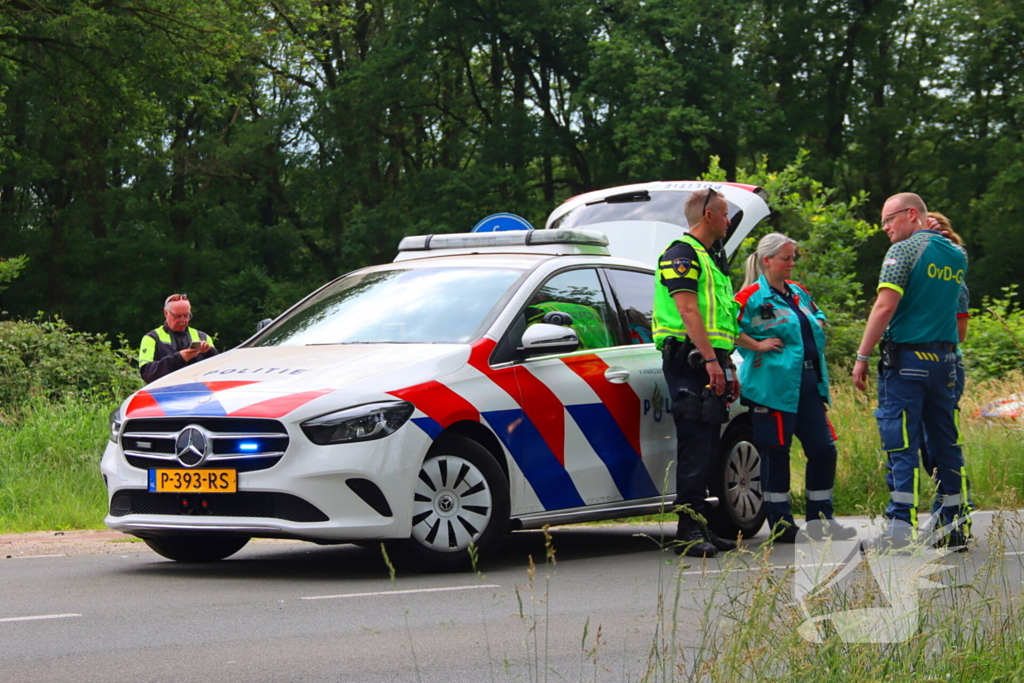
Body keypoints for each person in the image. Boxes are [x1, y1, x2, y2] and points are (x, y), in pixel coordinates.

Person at [852, 193, 970, 550]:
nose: (885, 227)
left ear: (912, 214)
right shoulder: (956, 253)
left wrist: (862, 356)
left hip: (907, 363)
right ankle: (955, 526)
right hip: (945, 363)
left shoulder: (903, 252)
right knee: (946, 445)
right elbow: (956, 315)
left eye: (889, 219)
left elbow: (885, 307)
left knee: (900, 443)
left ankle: (900, 530)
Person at [734, 234, 856, 542]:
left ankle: (821, 520)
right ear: (767, 261)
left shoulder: (798, 292)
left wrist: (816, 327)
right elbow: (726, 328)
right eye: (787, 258)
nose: (792, 263)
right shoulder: (750, 297)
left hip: (809, 386)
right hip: (771, 389)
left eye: (793, 257)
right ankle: (781, 523)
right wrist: (756, 344)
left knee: (824, 450)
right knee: (776, 453)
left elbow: (819, 316)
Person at [652, 188, 740, 558]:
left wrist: (726, 364)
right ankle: (687, 527)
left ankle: (702, 522)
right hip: (689, 362)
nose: (727, 221)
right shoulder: (682, 255)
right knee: (693, 444)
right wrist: (709, 360)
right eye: (723, 214)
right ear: (707, 215)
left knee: (707, 445)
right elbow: (688, 312)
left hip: (710, 360)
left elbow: (721, 320)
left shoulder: (711, 259)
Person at [139, 293, 219, 383]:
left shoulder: (203, 337)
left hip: (199, 392)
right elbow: (147, 373)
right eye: (178, 316)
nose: (183, 320)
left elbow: (219, 368)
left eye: (186, 316)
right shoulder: (152, 338)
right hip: (164, 393)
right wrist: (179, 358)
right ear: (166, 313)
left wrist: (209, 352)